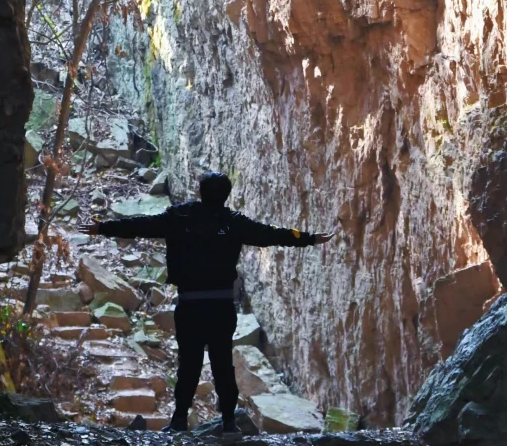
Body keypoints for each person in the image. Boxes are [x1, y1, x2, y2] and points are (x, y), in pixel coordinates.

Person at [80, 171, 332, 432]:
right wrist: (308, 238)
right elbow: (272, 234)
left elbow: (141, 225)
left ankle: (179, 419)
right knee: (223, 363)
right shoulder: (233, 222)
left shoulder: (180, 217)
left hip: (190, 304)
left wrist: (103, 227)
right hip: (221, 305)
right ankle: (229, 422)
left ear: (200, 192)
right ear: (226, 195)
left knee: (189, 363)